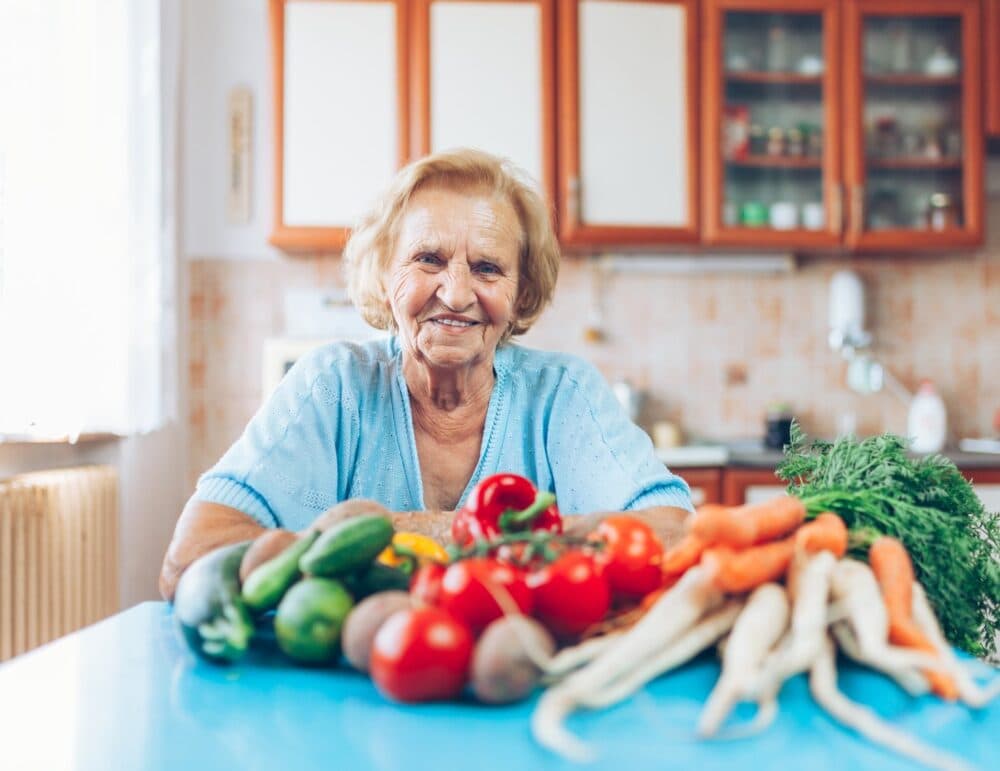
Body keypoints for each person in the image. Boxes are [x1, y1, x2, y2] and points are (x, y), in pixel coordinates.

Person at [159, 149, 692, 600]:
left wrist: (383, 540)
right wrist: (432, 533)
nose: (457, 294)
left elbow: (678, 539)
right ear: (384, 276)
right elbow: (190, 561)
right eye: (429, 260)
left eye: (487, 268)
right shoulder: (332, 385)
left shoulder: (563, 395)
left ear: (520, 292)